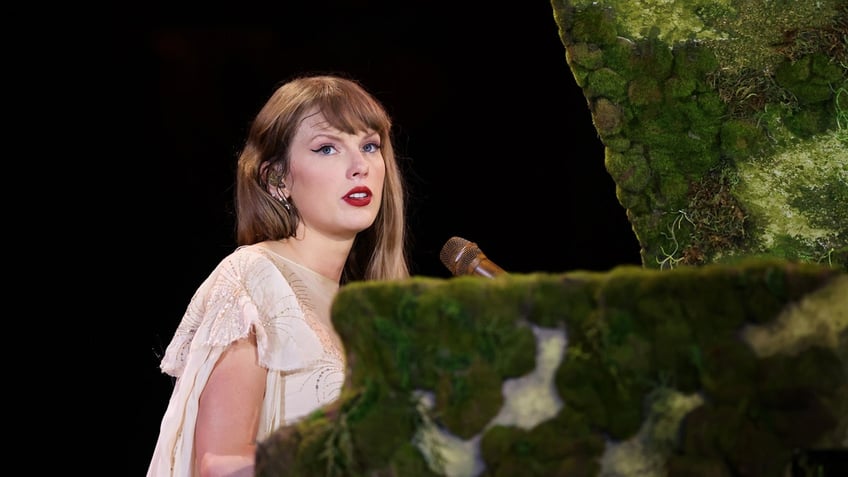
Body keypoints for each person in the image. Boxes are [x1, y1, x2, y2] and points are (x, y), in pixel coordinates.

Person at [148, 74, 410, 477]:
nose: (360, 167)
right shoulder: (255, 279)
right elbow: (217, 465)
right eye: (327, 148)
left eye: (370, 146)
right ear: (276, 179)